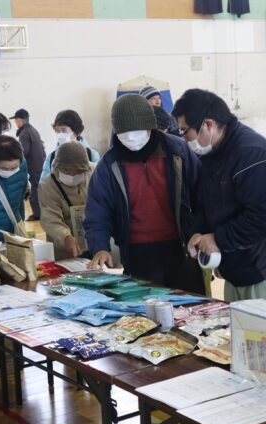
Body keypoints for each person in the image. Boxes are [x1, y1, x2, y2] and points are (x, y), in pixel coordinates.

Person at [172, 89, 266, 309]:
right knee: (243, 338)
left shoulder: (251, 154)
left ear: (208, 124)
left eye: (185, 131)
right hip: (239, 268)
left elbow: (263, 216)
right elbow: (203, 203)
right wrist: (197, 232)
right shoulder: (211, 154)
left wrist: (217, 239)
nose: (184, 138)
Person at [84, 94, 204, 294]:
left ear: (150, 126)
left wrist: (201, 230)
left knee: (191, 308)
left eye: (137, 131)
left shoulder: (176, 151)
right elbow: (97, 211)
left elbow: (201, 193)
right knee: (146, 315)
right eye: (124, 132)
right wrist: (100, 247)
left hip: (181, 248)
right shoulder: (109, 164)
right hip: (136, 253)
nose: (131, 137)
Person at [39, 141, 93, 259]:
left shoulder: (95, 173)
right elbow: (50, 219)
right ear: (57, 167)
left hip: (94, 242)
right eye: (67, 171)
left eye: (78, 171)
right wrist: (65, 237)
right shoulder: (48, 185)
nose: (73, 175)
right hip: (66, 249)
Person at [40, 110, 100, 180]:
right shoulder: (51, 157)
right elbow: (43, 186)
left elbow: (98, 182)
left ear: (76, 131)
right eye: (57, 131)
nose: (60, 134)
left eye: (64, 130)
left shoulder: (91, 155)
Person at [10, 109, 46, 221]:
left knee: (33, 190)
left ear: (20, 120)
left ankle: (37, 214)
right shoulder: (32, 130)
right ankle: (40, 213)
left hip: (33, 167)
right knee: (38, 189)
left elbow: (23, 152)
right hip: (40, 165)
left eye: (16, 120)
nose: (16, 122)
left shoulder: (24, 133)